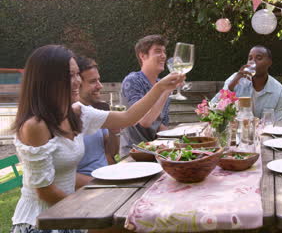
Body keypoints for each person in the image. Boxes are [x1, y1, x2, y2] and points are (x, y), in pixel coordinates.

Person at [11, 45, 184, 232]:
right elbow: (45, 191)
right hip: (42, 221)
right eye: (70, 75)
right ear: (48, 81)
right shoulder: (35, 126)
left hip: (70, 212)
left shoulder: (77, 112)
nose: (77, 81)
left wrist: (160, 87)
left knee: (140, 224)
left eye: (77, 74)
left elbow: (128, 118)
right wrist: (94, 211)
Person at [120, 35, 172, 156]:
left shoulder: (162, 84)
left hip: (156, 152)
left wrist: (182, 138)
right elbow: (144, 121)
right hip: (133, 153)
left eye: (164, 51)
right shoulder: (133, 81)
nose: (163, 56)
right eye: (158, 51)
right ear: (143, 56)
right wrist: (165, 91)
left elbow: (161, 127)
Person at [74, 57, 120, 189]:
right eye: (93, 81)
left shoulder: (94, 110)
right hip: (88, 188)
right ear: (77, 84)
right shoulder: (67, 117)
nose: (100, 86)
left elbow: (111, 152)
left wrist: (114, 131)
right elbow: (63, 177)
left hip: (106, 177)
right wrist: (105, 185)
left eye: (98, 80)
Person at [212, 45, 282, 121]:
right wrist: (231, 86)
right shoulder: (235, 79)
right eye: (250, 58)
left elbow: (278, 125)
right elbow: (213, 108)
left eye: (259, 58)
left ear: (269, 62)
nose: (252, 62)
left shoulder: (279, 91)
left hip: (266, 132)